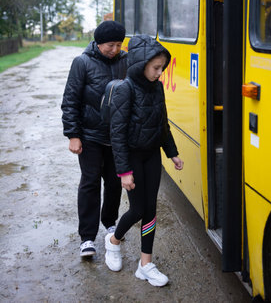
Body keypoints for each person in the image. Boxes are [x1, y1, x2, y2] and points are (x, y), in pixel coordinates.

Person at [104, 34, 184, 287]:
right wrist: (124, 171)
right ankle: (113, 241)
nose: (160, 73)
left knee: (151, 210)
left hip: (152, 156)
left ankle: (145, 264)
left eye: (162, 68)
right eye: (156, 68)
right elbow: (117, 134)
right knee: (138, 209)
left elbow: (162, 124)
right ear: (141, 65)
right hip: (132, 158)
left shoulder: (157, 87)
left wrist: (172, 152)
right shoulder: (125, 90)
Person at [61, 20, 127, 257]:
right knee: (89, 183)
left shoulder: (125, 60)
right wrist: (73, 135)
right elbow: (70, 100)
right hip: (89, 136)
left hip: (117, 137)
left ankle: (110, 222)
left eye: (119, 44)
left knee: (113, 182)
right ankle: (87, 238)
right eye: (110, 44)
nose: (115, 49)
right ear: (99, 42)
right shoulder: (82, 62)